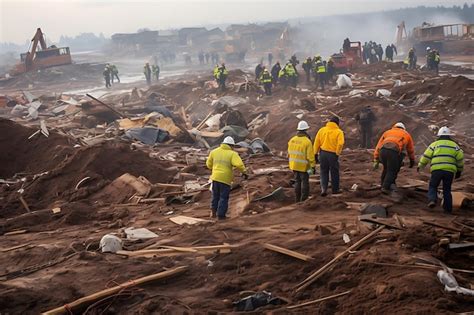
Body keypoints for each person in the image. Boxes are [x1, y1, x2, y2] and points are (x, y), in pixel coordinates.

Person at [417, 127, 464, 213]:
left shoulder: (434, 144)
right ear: (449, 136)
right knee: (447, 189)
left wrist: (421, 165)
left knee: (433, 186)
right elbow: (460, 159)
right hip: (449, 171)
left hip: (436, 170)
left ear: (439, 135)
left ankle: (432, 200)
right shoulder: (455, 146)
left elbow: (426, 156)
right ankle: (448, 209)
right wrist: (459, 171)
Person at [206, 136, 247, 219]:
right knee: (223, 197)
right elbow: (239, 164)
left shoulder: (214, 152)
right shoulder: (232, 154)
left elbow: (208, 164)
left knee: (215, 196)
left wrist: (215, 169)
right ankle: (221, 215)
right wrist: (244, 172)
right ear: (231, 146)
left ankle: (213, 212)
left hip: (215, 178)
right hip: (225, 179)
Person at [373, 122, 415, 194]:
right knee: (392, 170)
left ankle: (383, 184)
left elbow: (378, 145)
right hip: (393, 152)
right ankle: (385, 187)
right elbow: (410, 149)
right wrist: (412, 160)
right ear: (403, 128)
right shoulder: (406, 134)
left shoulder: (387, 132)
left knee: (386, 168)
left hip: (383, 151)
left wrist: (376, 158)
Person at [313, 116, 345, 196]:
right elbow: (340, 144)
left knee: (323, 171)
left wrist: (315, 154)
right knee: (334, 172)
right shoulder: (339, 132)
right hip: (332, 154)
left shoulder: (322, 130)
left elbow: (316, 142)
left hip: (323, 153)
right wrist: (337, 153)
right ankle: (335, 189)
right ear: (337, 123)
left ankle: (324, 189)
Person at [288, 121, 315, 202]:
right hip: (303, 166)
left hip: (294, 165)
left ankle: (297, 199)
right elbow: (310, 156)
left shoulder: (292, 140)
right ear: (306, 129)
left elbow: (289, 152)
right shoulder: (307, 141)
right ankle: (304, 199)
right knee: (305, 182)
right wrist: (312, 166)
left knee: (297, 181)